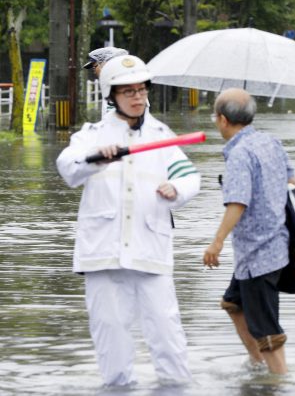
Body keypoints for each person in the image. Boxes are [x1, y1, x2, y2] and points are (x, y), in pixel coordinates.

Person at [56, 55, 200, 386]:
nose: (137, 98)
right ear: (111, 95)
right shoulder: (92, 134)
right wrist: (97, 159)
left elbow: (190, 176)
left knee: (168, 338)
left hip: (151, 252)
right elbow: (68, 167)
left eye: (141, 90)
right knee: (112, 346)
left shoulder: (162, 135)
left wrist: (175, 188)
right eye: (128, 92)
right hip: (102, 255)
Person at [203, 88, 295, 375]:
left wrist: (216, 242)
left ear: (222, 120)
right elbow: (291, 179)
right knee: (233, 303)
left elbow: (237, 203)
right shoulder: (270, 141)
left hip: (258, 255)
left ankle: (280, 382)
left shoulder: (240, 154)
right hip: (273, 246)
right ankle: (257, 365)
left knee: (269, 332)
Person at [82, 46, 129, 114]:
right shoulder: (112, 86)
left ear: (105, 64)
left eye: (95, 67)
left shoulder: (121, 88)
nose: (94, 71)